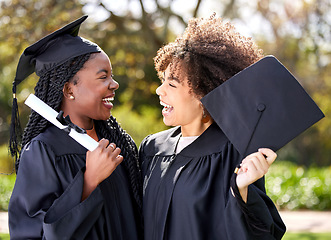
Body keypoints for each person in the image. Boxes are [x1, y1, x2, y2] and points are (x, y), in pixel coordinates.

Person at [139, 14, 286, 239]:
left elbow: (264, 232)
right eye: (162, 80)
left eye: (172, 83)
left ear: (204, 94)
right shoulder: (152, 148)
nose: (160, 90)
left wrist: (242, 191)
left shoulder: (234, 153)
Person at [8, 16, 143, 239]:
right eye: (103, 77)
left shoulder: (118, 143)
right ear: (70, 89)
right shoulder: (44, 151)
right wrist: (89, 181)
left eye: (112, 75)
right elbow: (33, 235)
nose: (114, 84)